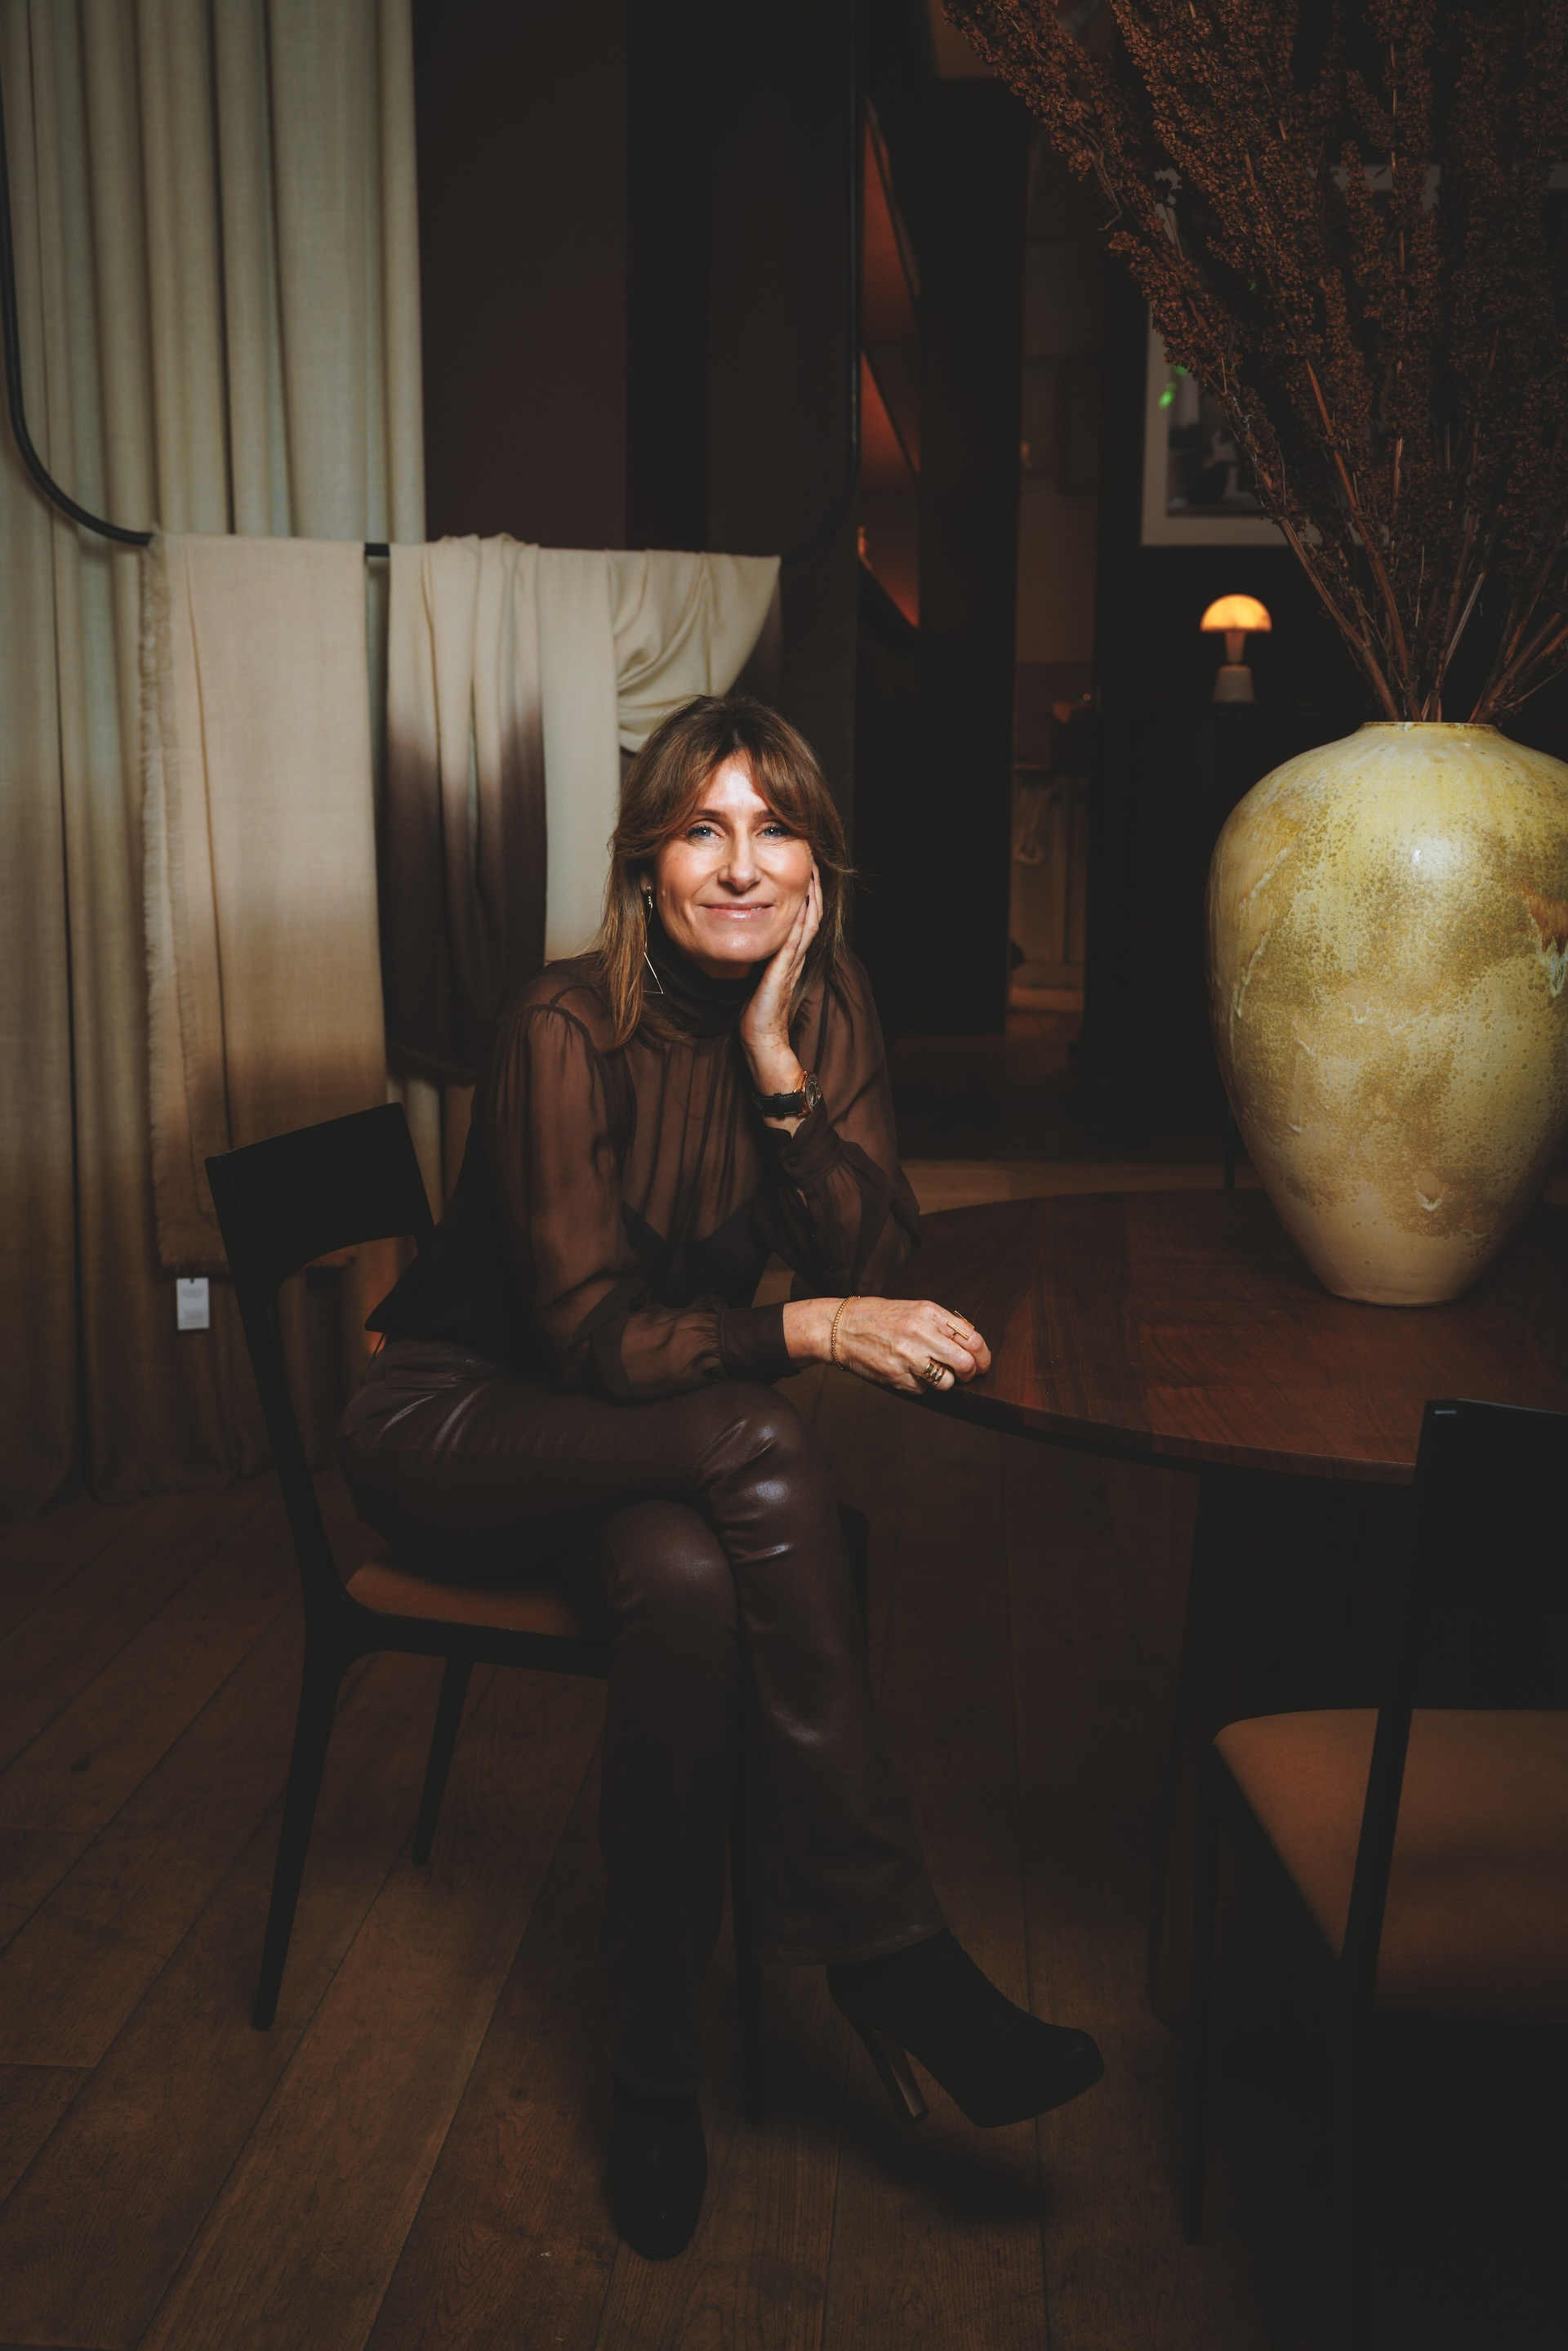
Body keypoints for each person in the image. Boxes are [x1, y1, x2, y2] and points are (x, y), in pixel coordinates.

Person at [338, 695, 1102, 2260]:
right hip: (460, 1427)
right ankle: (887, 1945)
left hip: (641, 1438)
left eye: (775, 828)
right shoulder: (560, 1027)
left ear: (817, 863)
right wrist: (800, 1328)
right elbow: (590, 1339)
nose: (741, 865)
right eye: (702, 829)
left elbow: (873, 1249)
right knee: (763, 1432)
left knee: (687, 1585)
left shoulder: (823, 1008)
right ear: (646, 863)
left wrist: (774, 1064)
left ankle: (652, 2075)